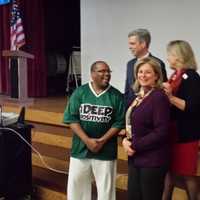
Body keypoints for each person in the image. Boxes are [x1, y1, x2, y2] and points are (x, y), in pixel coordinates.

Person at [63, 60, 125, 200]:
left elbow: (119, 122)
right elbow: (71, 118)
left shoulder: (116, 96)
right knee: (76, 190)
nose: (107, 74)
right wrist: (87, 140)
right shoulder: (80, 92)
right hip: (80, 149)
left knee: (106, 191)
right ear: (92, 74)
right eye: (102, 71)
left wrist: (102, 141)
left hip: (106, 151)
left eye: (108, 71)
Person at [122, 57, 170, 200]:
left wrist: (134, 144)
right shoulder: (137, 97)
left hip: (152, 161)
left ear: (156, 75)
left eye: (148, 72)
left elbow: (161, 132)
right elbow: (131, 126)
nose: (143, 75)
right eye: (140, 72)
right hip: (135, 158)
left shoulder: (159, 97)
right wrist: (125, 140)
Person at [162, 40, 200, 200]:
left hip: (186, 135)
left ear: (178, 56)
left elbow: (192, 107)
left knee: (187, 174)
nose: (168, 58)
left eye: (170, 54)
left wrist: (169, 97)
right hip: (173, 133)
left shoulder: (191, 76)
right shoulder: (175, 75)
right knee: (169, 172)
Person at [125, 28, 167, 107]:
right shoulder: (130, 64)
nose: (129, 47)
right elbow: (127, 91)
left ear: (143, 44)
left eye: (132, 43)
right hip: (131, 112)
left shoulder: (158, 63)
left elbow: (162, 90)